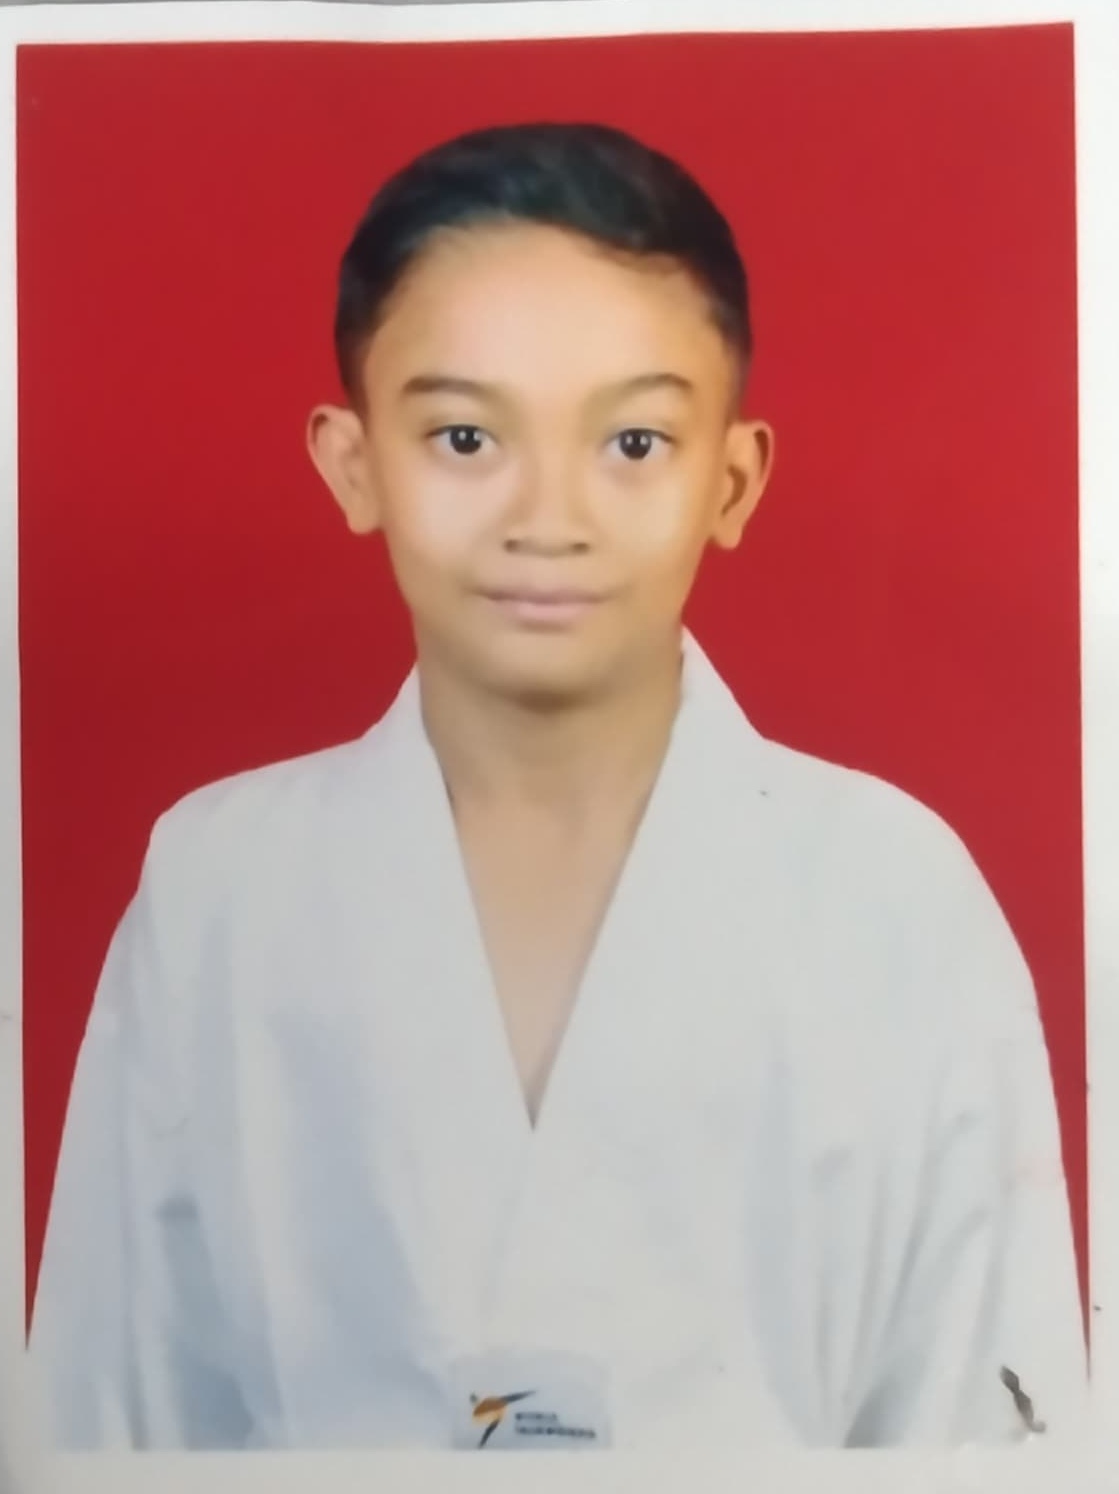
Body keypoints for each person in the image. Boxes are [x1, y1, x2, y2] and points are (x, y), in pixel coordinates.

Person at [30, 122, 1086, 1452]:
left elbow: (990, 1423)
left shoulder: (896, 896)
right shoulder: (220, 890)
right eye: (466, 436)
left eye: (634, 442)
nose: (549, 517)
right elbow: (108, 1416)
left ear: (733, 479)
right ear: (354, 463)